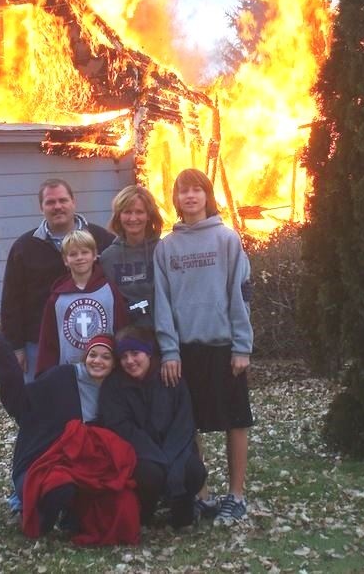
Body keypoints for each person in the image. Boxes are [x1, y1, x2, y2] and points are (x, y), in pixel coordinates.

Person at [153, 168, 253, 525]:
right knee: (187, 423)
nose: (190, 197)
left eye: (197, 190)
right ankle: (201, 494)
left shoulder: (227, 239)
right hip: (185, 349)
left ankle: (236, 495)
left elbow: (239, 296)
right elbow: (162, 302)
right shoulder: (166, 247)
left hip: (224, 345)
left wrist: (242, 346)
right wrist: (169, 351)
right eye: (183, 191)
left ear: (207, 196)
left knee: (236, 420)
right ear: (176, 200)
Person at [0, 330, 140, 545]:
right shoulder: (61, 377)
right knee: (58, 486)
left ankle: (75, 519)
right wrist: (6, 366)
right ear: (85, 356)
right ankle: (40, 519)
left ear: (114, 363)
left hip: (89, 464)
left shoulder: (115, 391)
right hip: (47, 457)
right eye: (93, 355)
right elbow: (22, 404)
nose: (97, 361)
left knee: (120, 501)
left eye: (105, 357)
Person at [0, 178, 114, 383]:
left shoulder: (101, 239)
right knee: (43, 400)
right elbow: (11, 301)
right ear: (41, 208)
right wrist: (16, 347)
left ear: (73, 202)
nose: (58, 207)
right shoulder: (25, 247)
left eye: (63, 200)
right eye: (50, 202)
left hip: (93, 341)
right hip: (39, 342)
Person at [99, 325, 207, 529]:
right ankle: (145, 510)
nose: (129, 361)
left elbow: (184, 423)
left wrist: (170, 458)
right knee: (149, 474)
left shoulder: (171, 378)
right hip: (140, 452)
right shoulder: (114, 386)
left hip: (173, 449)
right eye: (123, 356)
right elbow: (121, 427)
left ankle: (182, 508)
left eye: (135, 353)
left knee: (193, 470)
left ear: (148, 352)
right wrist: (157, 458)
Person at [35, 230, 128, 376]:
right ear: (65, 260)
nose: (80, 258)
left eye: (84, 252)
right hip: (70, 374)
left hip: (107, 374)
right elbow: (48, 341)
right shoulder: (57, 299)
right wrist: (45, 374)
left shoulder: (109, 290)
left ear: (94, 254)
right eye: (73, 254)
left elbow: (121, 329)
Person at [100, 185, 163, 327]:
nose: (133, 218)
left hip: (161, 332)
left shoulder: (162, 250)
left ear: (149, 216)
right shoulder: (108, 258)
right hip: (126, 335)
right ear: (118, 216)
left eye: (139, 212)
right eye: (127, 212)